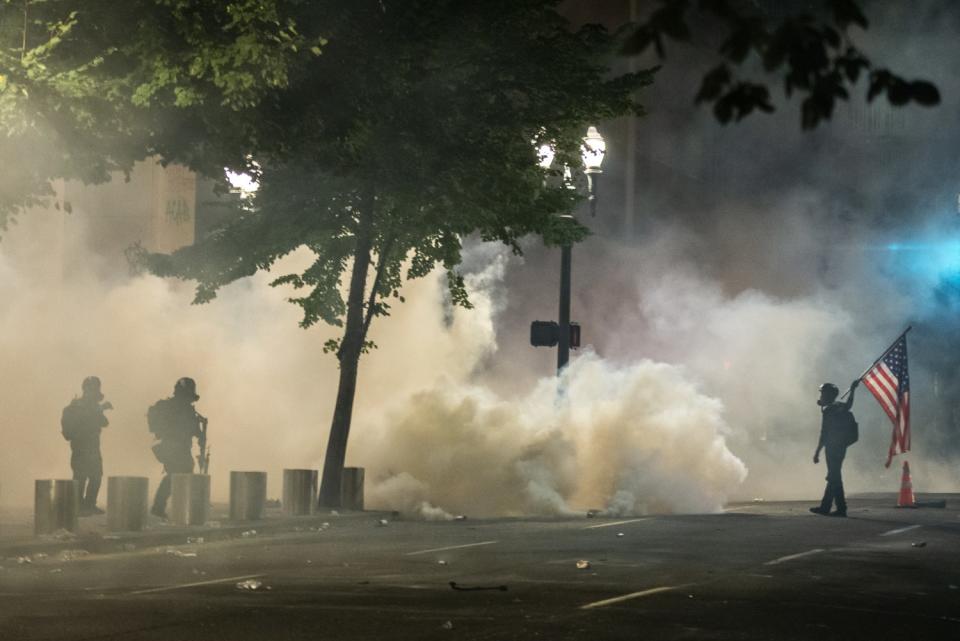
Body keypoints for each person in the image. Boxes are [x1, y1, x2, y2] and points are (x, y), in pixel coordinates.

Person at [148, 377, 205, 519]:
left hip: (174, 447)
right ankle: (163, 507)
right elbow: (190, 428)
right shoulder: (182, 408)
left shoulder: (173, 406)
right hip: (174, 447)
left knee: (178, 474)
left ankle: (167, 506)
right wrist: (200, 434)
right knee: (177, 475)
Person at [61, 376, 112, 516]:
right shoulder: (76, 407)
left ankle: (89, 505)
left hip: (93, 447)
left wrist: (99, 409)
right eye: (91, 388)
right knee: (80, 476)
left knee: (96, 476)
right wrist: (99, 409)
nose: (94, 391)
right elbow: (75, 426)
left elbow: (104, 423)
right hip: (80, 447)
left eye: (96, 388)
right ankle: (78, 506)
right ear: (85, 389)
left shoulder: (92, 406)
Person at [810, 379, 860, 517]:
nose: (820, 396)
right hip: (836, 447)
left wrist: (817, 452)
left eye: (823, 394)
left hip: (835, 448)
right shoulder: (833, 408)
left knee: (834, 476)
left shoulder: (833, 409)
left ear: (828, 395)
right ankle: (825, 507)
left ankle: (841, 508)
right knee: (833, 476)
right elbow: (824, 433)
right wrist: (818, 452)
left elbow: (824, 433)